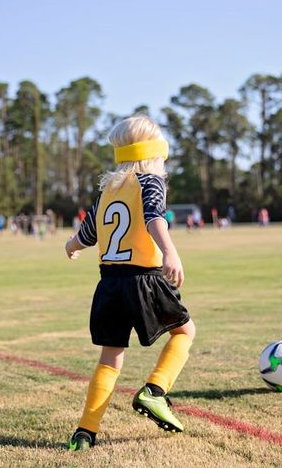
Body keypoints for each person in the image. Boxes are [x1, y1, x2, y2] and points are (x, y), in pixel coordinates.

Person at [63, 115, 195, 451]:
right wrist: (170, 252)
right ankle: (154, 391)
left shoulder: (109, 189)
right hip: (143, 278)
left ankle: (85, 432)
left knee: (110, 358)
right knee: (185, 332)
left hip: (109, 284)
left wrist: (71, 245)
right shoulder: (150, 180)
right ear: (155, 152)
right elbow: (154, 218)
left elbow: (88, 233)